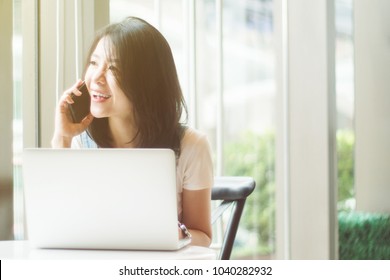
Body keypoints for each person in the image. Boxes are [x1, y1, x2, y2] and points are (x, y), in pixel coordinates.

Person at [51, 16, 213, 247]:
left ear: (146, 81)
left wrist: (174, 233)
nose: (96, 77)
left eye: (114, 68)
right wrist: (63, 138)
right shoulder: (81, 143)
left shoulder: (191, 146)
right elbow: (60, 224)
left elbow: (203, 237)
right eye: (94, 63)